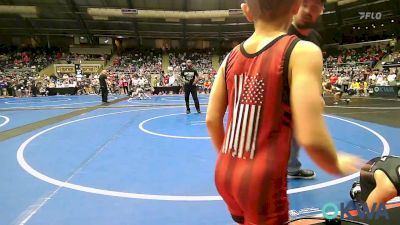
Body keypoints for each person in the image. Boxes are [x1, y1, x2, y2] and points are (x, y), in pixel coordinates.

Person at [206, 0, 363, 224]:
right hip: (262, 182)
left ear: (246, 11)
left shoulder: (229, 58)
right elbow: (311, 137)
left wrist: (230, 160)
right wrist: (335, 163)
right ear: (296, 6)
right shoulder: (302, 51)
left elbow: (212, 120)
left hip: (224, 172)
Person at [286, 0, 326, 179]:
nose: (308, 10)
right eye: (305, 3)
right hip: (280, 95)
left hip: (300, 99)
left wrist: (317, 92)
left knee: (296, 136)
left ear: (322, 10)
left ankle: (291, 169)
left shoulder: (315, 38)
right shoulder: (281, 31)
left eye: (315, 6)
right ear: (295, 5)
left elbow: (314, 69)